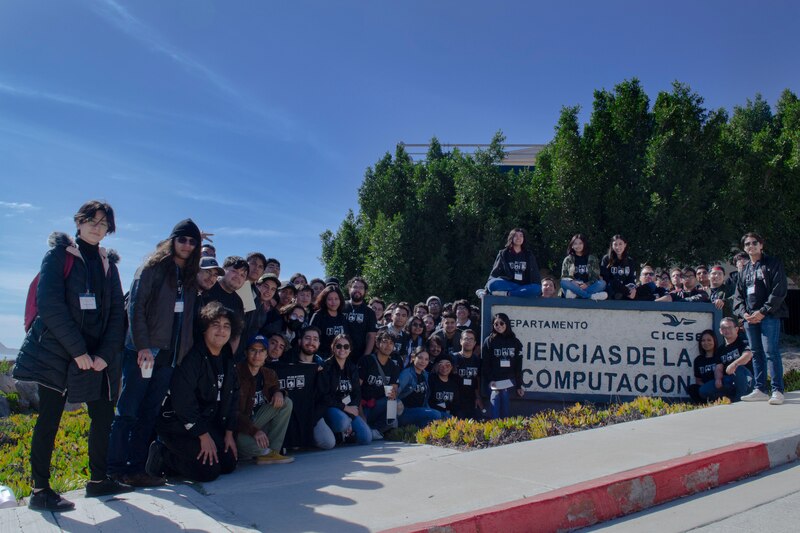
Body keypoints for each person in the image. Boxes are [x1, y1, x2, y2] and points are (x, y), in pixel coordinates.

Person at [15, 200, 131, 510]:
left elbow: (118, 315)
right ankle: (40, 491)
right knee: (49, 419)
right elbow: (49, 304)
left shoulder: (109, 265)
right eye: (91, 220)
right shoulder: (58, 255)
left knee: (103, 415)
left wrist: (105, 354)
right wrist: (78, 351)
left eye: (103, 223)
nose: (97, 226)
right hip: (60, 352)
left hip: (98, 357)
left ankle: (97, 480)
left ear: (109, 230)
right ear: (78, 222)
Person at [108, 218, 201, 487]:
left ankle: (136, 469)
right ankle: (114, 469)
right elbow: (135, 308)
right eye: (182, 239)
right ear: (172, 240)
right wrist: (142, 346)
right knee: (127, 412)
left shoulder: (190, 276)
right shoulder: (152, 268)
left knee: (149, 413)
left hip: (169, 356)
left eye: (192, 241)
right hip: (144, 352)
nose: (187, 245)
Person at [147, 302, 240, 482]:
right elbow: (183, 402)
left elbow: (233, 395)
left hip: (205, 422)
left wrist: (229, 433)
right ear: (205, 328)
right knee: (208, 471)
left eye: (226, 326)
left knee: (229, 463)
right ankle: (162, 454)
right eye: (216, 325)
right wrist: (202, 435)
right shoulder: (192, 357)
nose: (222, 330)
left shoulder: (227, 356)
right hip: (179, 424)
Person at [734, 232, 789, 405]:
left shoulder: (773, 264)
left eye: (754, 242)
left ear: (761, 245)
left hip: (769, 316)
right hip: (750, 318)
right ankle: (760, 389)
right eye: (747, 244)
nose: (751, 246)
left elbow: (779, 291)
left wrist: (763, 312)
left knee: (771, 352)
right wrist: (744, 314)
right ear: (744, 248)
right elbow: (738, 296)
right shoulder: (745, 270)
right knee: (756, 354)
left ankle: (777, 390)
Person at [235, 335, 294, 464]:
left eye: (262, 351)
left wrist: (279, 393)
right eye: (253, 350)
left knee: (286, 403)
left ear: (267, 354)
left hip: (259, 421)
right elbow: (232, 412)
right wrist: (254, 431)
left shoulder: (269, 373)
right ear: (246, 352)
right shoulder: (236, 373)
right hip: (241, 426)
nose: (257, 355)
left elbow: (274, 387)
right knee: (239, 441)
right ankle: (265, 452)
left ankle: (272, 451)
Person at [320, 334, 372, 445]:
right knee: (343, 422)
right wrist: (345, 408)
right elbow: (324, 397)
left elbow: (357, 393)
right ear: (333, 347)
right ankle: (337, 431)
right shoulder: (326, 367)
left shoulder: (352, 367)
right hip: (331, 408)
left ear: (350, 350)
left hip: (348, 408)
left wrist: (352, 409)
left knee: (366, 437)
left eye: (346, 346)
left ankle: (344, 435)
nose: (342, 349)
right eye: (338, 346)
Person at [358, 330, 401, 439]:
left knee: (395, 405)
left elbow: (392, 393)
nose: (388, 346)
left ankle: (375, 429)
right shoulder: (366, 361)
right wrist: (361, 413)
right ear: (377, 344)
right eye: (385, 342)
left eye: (391, 343)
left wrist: (393, 395)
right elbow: (356, 389)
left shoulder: (393, 366)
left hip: (377, 406)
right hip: (362, 406)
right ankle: (366, 428)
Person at [481, 313, 524, 419]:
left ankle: (504, 423)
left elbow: (518, 365)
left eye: (501, 323)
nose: (499, 326)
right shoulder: (489, 341)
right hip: (494, 379)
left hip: (509, 380)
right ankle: (495, 423)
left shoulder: (515, 342)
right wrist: (490, 380)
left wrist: (519, 385)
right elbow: (485, 363)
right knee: (495, 393)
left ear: (507, 324)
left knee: (504, 392)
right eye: (496, 324)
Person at [482, 228, 541, 298]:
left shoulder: (529, 255)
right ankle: (520, 293)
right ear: (511, 238)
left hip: (524, 285)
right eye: (516, 235)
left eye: (521, 236)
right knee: (492, 284)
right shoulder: (503, 254)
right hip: (509, 284)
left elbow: (535, 273)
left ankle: (508, 294)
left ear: (524, 239)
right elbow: (495, 272)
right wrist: (486, 289)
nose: (518, 238)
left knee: (537, 289)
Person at [397, 348, 444, 427]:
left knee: (447, 416)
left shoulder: (425, 374)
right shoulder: (407, 374)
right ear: (413, 357)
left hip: (420, 410)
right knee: (436, 414)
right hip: (405, 412)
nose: (423, 362)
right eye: (420, 358)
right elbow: (394, 394)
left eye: (426, 359)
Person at [716, 317, 755, 402]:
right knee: (704, 390)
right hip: (730, 380)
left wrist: (733, 365)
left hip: (747, 378)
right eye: (724, 328)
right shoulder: (720, 349)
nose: (727, 330)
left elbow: (748, 355)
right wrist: (718, 379)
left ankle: (740, 399)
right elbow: (719, 368)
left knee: (739, 368)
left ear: (736, 329)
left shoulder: (743, 341)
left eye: (729, 327)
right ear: (720, 331)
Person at [560, 234, 607, 300]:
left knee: (602, 283)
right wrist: (573, 282)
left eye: (580, 243)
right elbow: (564, 276)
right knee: (563, 282)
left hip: (587, 286)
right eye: (575, 243)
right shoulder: (568, 259)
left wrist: (587, 284)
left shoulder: (592, 259)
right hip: (573, 286)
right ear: (572, 246)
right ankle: (590, 296)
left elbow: (595, 277)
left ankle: (577, 296)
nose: (578, 246)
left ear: (584, 244)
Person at [343, 277, 378, 364]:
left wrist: (365, 357)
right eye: (355, 287)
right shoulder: (340, 306)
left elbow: (371, 336)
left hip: (359, 357)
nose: (357, 290)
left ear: (365, 292)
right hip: (339, 352)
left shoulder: (369, 312)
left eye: (361, 287)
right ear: (349, 289)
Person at [687, 330, 728, 403]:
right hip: (705, 388)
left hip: (719, 386)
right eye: (703, 340)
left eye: (709, 340)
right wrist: (707, 387)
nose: (706, 343)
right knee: (692, 388)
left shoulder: (720, 356)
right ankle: (703, 405)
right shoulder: (698, 360)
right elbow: (698, 380)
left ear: (714, 341)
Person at [309, 285, 349, 359]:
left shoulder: (342, 317)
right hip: (321, 358)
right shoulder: (318, 316)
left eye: (336, 299)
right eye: (330, 299)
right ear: (324, 300)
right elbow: (311, 338)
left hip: (339, 357)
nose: (333, 302)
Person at [453, 329, 484, 419]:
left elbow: (477, 379)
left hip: (471, 400)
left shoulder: (477, 360)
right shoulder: (453, 358)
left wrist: (478, 397)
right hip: (456, 400)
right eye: (466, 339)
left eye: (471, 339)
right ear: (461, 341)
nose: (468, 341)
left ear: (474, 343)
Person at [600, 234, 636, 300]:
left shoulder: (630, 261)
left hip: (626, 289)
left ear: (625, 245)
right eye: (615, 244)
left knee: (650, 286)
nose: (617, 247)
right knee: (613, 282)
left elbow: (631, 278)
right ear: (612, 245)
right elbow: (605, 278)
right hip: (611, 289)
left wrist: (633, 289)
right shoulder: (606, 259)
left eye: (620, 244)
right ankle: (621, 294)